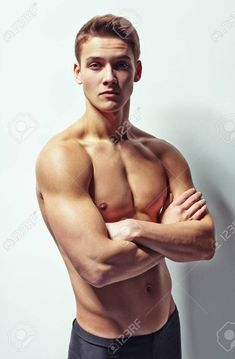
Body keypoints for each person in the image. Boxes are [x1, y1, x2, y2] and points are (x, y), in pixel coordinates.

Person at [35, 14, 216, 359]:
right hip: (104, 346)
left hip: (167, 331)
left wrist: (136, 228)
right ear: (78, 73)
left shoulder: (163, 154)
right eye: (95, 65)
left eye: (120, 64)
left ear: (137, 71)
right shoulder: (63, 158)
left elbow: (206, 244)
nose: (109, 78)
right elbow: (98, 267)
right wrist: (168, 232)